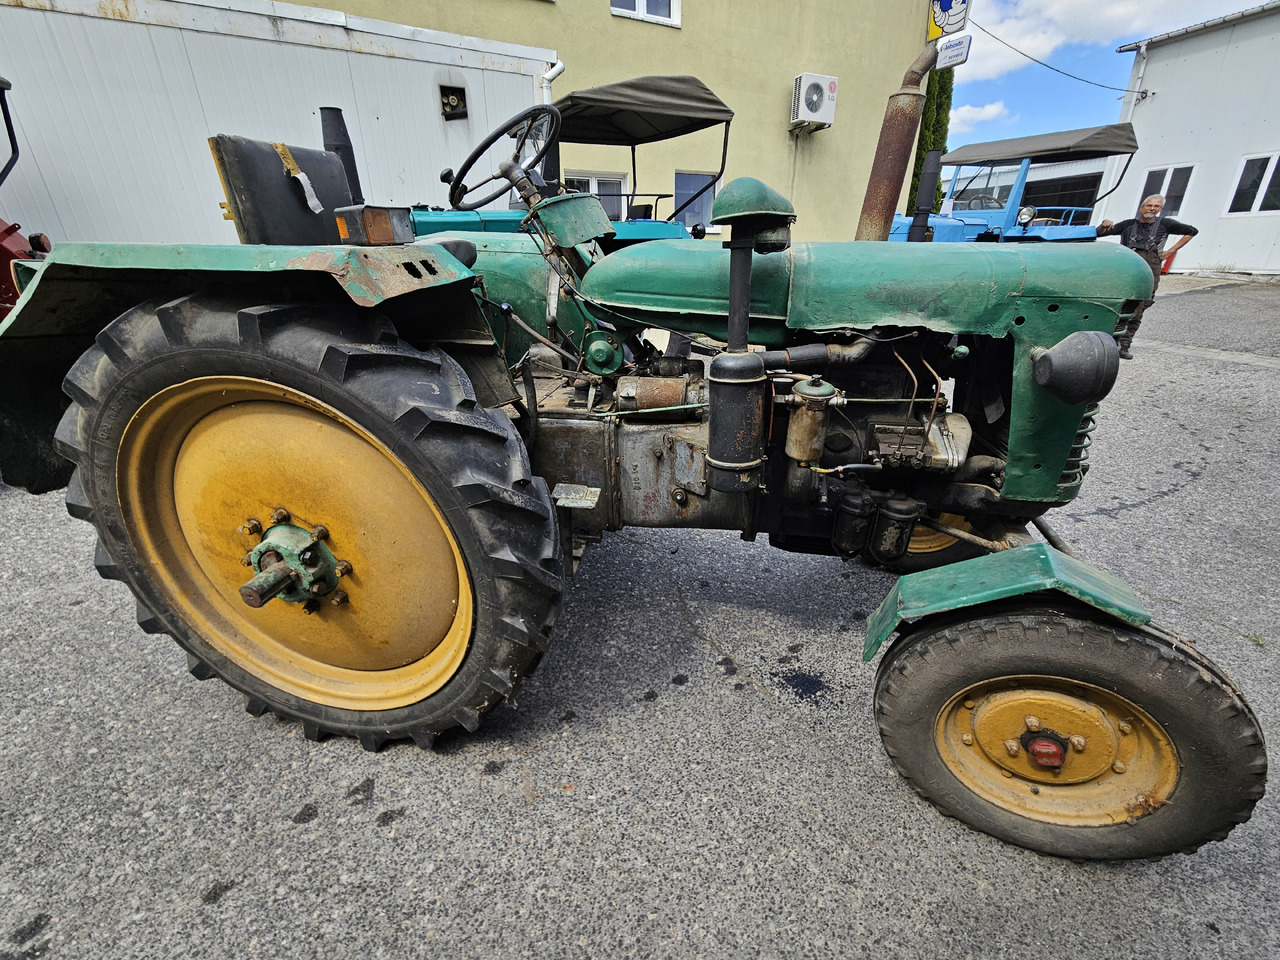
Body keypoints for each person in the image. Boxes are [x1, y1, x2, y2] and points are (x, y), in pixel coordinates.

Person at [1096, 195, 1197, 359]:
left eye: (1156, 206)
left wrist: (1171, 251)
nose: (1152, 208)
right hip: (1126, 271)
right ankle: (1110, 343)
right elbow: (1099, 233)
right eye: (1149, 205)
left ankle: (1124, 345)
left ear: (1160, 209)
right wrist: (1103, 224)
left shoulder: (1165, 224)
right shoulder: (1128, 225)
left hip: (1150, 272)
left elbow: (1192, 231)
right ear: (1141, 208)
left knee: (1138, 309)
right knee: (1118, 306)